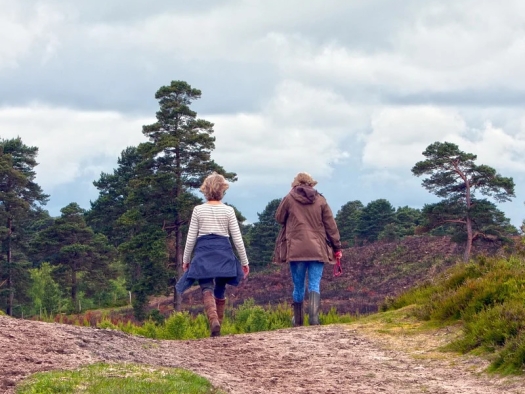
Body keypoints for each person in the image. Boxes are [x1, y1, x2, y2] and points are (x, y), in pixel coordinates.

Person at [176, 172, 250, 337]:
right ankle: (217, 330)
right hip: (224, 253)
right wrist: (245, 262)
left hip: (204, 252)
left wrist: (186, 260)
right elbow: (238, 240)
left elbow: (190, 239)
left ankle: (213, 319)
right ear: (222, 190)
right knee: (220, 289)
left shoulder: (198, 210)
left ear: (205, 190)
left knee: (206, 287)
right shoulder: (228, 211)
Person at [274, 172, 342, 326]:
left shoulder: (289, 198)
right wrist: (337, 247)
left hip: (296, 249)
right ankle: (314, 318)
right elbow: (331, 226)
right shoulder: (320, 200)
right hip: (317, 249)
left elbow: (279, 218)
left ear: (296, 184)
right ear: (311, 184)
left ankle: (298, 320)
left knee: (298, 285)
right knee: (314, 284)